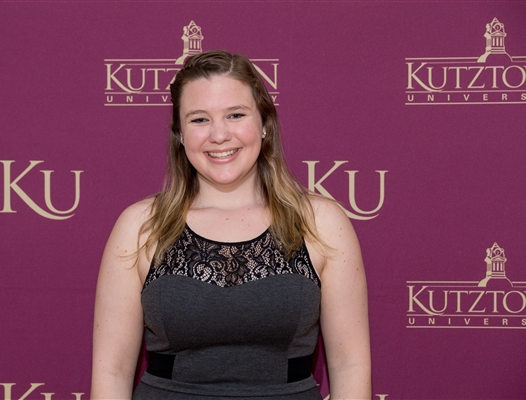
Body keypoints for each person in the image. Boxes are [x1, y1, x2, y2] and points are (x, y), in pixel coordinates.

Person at [91, 50, 371, 400]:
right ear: (180, 133)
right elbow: (112, 370)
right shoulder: (141, 226)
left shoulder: (321, 223)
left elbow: (350, 366)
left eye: (235, 115)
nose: (219, 135)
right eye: (199, 119)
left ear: (265, 123)